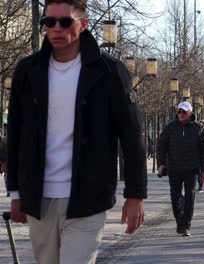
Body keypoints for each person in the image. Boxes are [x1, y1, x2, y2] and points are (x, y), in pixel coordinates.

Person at [6, 1, 147, 262]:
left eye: (65, 22)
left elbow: (132, 134)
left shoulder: (110, 72)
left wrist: (136, 194)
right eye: (49, 22)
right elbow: (15, 133)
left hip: (88, 195)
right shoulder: (27, 71)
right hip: (39, 196)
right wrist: (15, 193)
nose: (56, 28)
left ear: (83, 25)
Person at [157, 102, 204, 236]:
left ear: (190, 113)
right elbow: (161, 146)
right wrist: (161, 164)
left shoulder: (198, 128)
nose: (181, 114)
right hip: (174, 168)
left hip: (191, 169)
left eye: (184, 112)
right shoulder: (170, 128)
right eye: (179, 111)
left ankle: (186, 225)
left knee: (189, 196)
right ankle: (179, 223)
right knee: (175, 197)